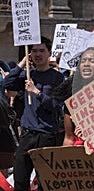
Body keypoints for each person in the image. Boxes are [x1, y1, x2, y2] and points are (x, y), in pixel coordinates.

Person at [3, 36, 65, 191]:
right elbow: (7, 83)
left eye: (41, 51)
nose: (38, 54)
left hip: (47, 136)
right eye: (34, 51)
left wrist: (37, 93)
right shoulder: (27, 75)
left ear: (49, 53)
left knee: (45, 182)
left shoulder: (57, 78)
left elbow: (56, 106)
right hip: (28, 135)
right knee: (20, 179)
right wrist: (23, 63)